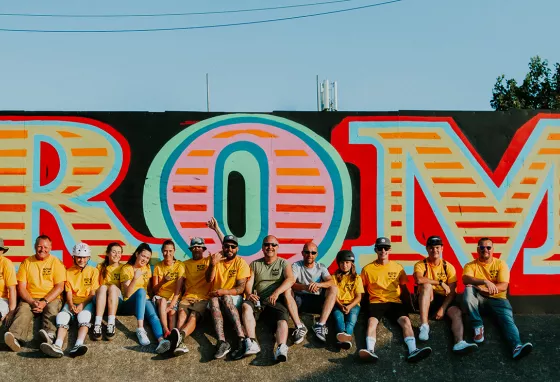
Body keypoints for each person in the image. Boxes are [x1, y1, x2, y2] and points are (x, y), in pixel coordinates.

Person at [359, 237, 431, 363]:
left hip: (394, 302)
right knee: (371, 323)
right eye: (380, 248)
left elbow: (404, 288)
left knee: (406, 321)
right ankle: (370, 350)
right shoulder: (367, 269)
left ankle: (413, 350)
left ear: (390, 249)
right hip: (376, 302)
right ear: (375, 250)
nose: (383, 251)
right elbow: (362, 290)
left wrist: (410, 305)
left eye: (386, 248)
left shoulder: (398, 267)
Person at [462, 237, 533, 360]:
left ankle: (517, 346)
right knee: (468, 289)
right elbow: (465, 279)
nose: (485, 250)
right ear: (477, 249)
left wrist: (484, 288)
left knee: (507, 321)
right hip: (478, 301)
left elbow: (503, 286)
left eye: (488, 247)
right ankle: (477, 326)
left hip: (498, 300)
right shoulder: (470, 265)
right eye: (482, 247)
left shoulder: (501, 264)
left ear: (493, 249)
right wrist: (485, 281)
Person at [414, 235, 477, 354]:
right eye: (431, 248)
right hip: (428, 299)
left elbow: (452, 292)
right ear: (427, 249)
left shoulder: (448, 266)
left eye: (437, 247)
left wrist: (443, 309)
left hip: (444, 299)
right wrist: (440, 282)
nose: (434, 250)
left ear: (442, 248)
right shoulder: (421, 264)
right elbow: (418, 280)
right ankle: (424, 326)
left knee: (456, 312)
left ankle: (459, 342)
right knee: (427, 286)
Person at [4, 235, 66, 352]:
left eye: (46, 247)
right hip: (30, 298)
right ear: (34, 247)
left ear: (51, 248)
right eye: (39, 246)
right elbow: (21, 287)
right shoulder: (26, 262)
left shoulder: (56, 262)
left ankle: (50, 336)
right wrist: (32, 302)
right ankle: (15, 338)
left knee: (52, 309)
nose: (42, 249)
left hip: (50, 298)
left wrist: (44, 301)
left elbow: (59, 287)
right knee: (23, 310)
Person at [241, 235, 296, 362]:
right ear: (262, 247)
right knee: (245, 306)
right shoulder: (255, 264)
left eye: (273, 245)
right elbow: (249, 283)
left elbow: (290, 279)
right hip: (258, 299)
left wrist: (276, 293)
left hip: (275, 300)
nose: (270, 247)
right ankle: (252, 342)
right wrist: (249, 294)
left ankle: (281, 347)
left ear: (278, 247)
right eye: (266, 244)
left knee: (282, 319)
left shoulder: (283, 263)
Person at [41, 243, 99, 358]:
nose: (81, 260)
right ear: (74, 257)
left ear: (88, 258)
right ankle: (57, 346)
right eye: (78, 257)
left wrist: (82, 305)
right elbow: (68, 292)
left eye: (84, 257)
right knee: (62, 317)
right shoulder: (68, 272)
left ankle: (78, 344)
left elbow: (93, 293)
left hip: (86, 301)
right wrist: (71, 304)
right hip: (72, 301)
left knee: (84, 317)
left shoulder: (94, 271)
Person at [205, 233, 250, 359]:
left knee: (226, 297)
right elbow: (208, 280)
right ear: (223, 247)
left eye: (233, 246)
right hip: (216, 298)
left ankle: (241, 339)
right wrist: (212, 264)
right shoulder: (216, 260)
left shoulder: (240, 263)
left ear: (237, 249)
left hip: (233, 298)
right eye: (227, 246)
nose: (229, 249)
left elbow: (241, 288)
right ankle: (222, 342)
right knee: (213, 299)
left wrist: (224, 291)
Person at [120, 243, 170, 353]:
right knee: (141, 292)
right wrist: (135, 278)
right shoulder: (126, 269)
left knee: (153, 316)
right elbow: (127, 294)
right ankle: (140, 329)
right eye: (143, 256)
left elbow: (149, 289)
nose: (145, 260)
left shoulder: (147, 268)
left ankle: (161, 340)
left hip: (145, 299)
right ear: (137, 254)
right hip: (130, 302)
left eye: (147, 258)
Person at [289, 241, 337, 342]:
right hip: (300, 300)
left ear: (317, 254)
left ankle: (320, 325)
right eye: (307, 252)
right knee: (287, 290)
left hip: (317, 300)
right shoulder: (296, 266)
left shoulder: (321, 266)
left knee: (333, 288)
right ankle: (299, 326)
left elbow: (331, 282)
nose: (310, 255)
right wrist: (305, 287)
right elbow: (291, 283)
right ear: (302, 253)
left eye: (313, 253)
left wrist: (318, 284)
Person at [171, 237, 211, 356]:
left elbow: (226, 246)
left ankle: (180, 337)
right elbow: (179, 284)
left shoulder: (208, 261)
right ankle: (178, 340)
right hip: (187, 297)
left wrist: (216, 229)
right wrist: (173, 302)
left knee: (193, 316)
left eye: (199, 247)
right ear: (191, 249)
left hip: (202, 298)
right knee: (182, 315)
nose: (196, 249)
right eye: (194, 247)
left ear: (203, 249)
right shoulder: (184, 264)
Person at [331, 250, 364, 349]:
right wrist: (340, 306)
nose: (344, 265)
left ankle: (346, 337)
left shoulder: (357, 278)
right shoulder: (333, 277)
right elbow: (333, 295)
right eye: (342, 262)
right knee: (338, 318)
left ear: (351, 264)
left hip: (353, 304)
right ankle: (343, 337)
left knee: (351, 320)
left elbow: (359, 297)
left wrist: (349, 306)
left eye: (347, 262)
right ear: (338, 264)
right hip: (338, 304)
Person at [152, 240, 184, 337]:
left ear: (174, 251)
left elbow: (178, 290)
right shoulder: (158, 266)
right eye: (165, 251)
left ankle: (173, 337)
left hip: (173, 299)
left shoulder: (180, 265)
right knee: (163, 301)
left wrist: (171, 306)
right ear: (162, 251)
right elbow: (154, 290)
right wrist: (163, 281)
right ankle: (165, 329)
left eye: (170, 251)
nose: (168, 254)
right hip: (160, 298)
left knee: (172, 313)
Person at [92, 242, 124, 340]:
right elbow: (95, 286)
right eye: (114, 252)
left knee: (113, 287)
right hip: (100, 300)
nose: (116, 255)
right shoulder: (100, 267)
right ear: (107, 253)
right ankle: (97, 324)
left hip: (116, 301)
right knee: (102, 287)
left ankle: (111, 324)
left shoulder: (124, 268)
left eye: (119, 252)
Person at [0, 238, 17, 326]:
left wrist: (11, 311)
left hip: (2, 299)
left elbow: (12, 289)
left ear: (2, 251)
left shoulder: (6, 263)